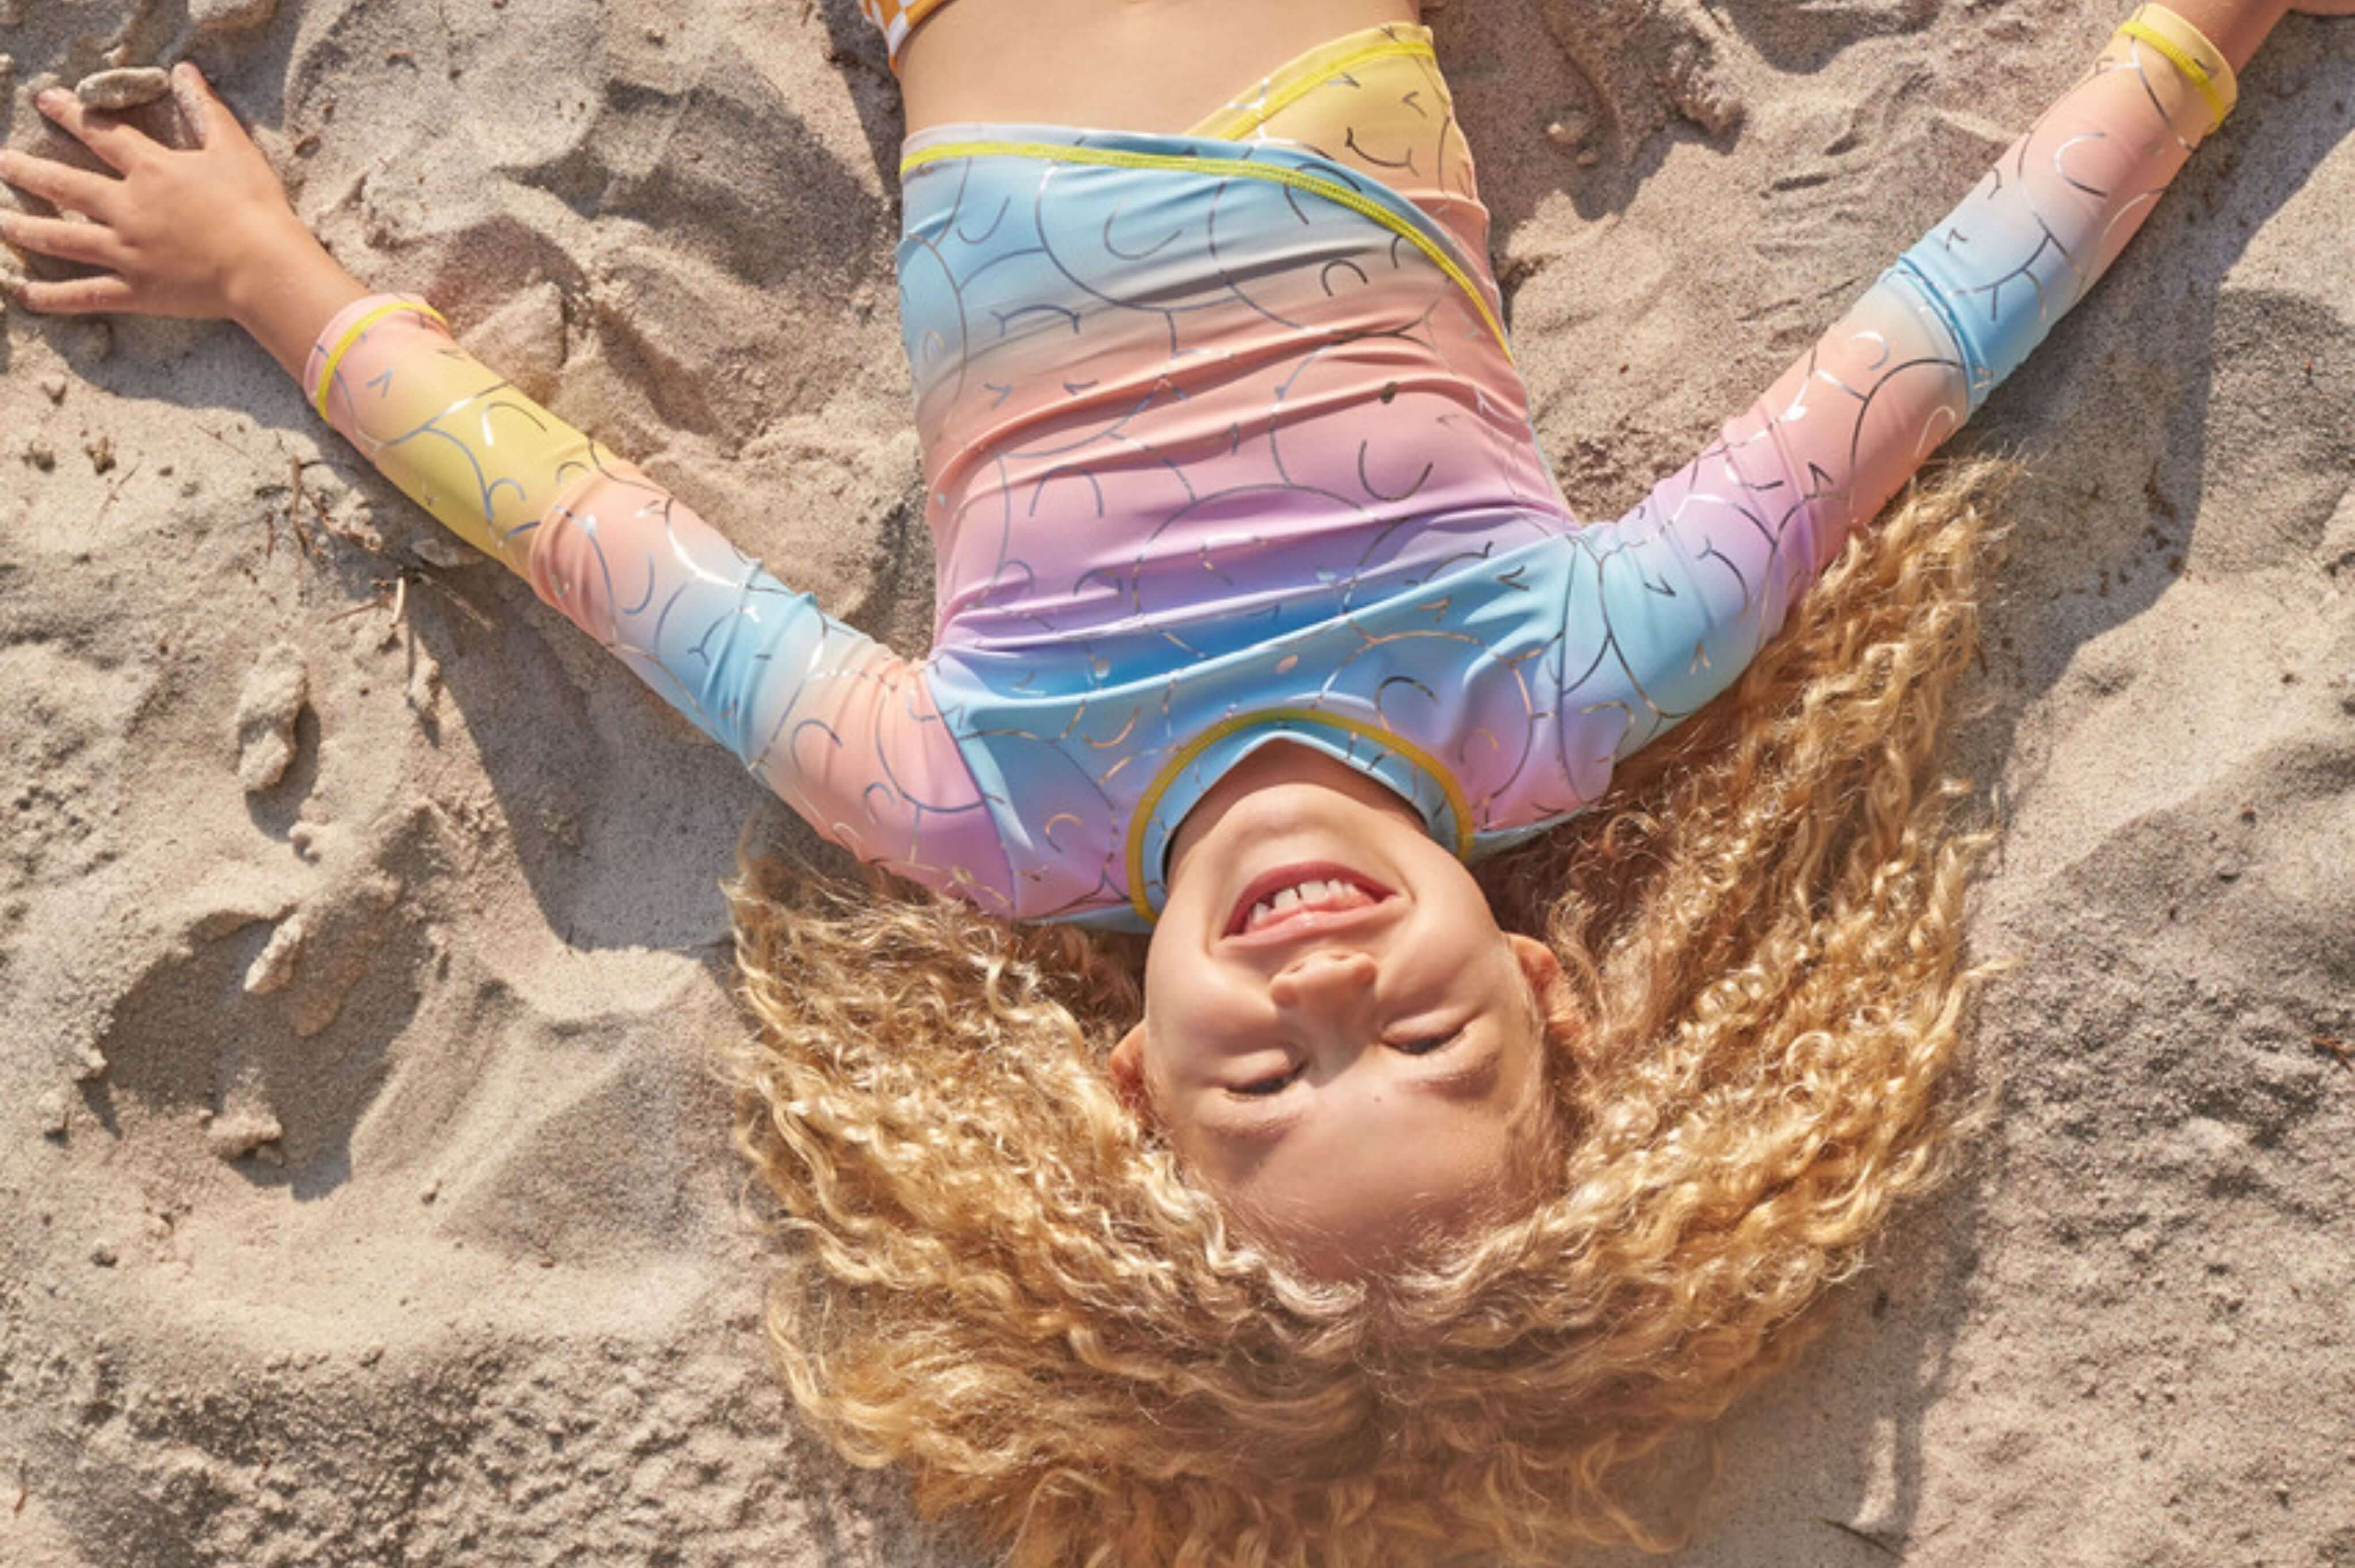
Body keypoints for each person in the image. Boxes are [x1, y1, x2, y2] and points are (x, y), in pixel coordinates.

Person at [2, 0, 2337, 1558]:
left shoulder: (977, 803)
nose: (1321, 982)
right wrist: (2202, 34)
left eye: (1259, 1076)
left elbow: (598, 541)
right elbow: (1936, 327)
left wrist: (283, 286)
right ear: (1547, 983)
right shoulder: (1561, 690)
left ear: (1134, 1080)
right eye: (1417, 1036)